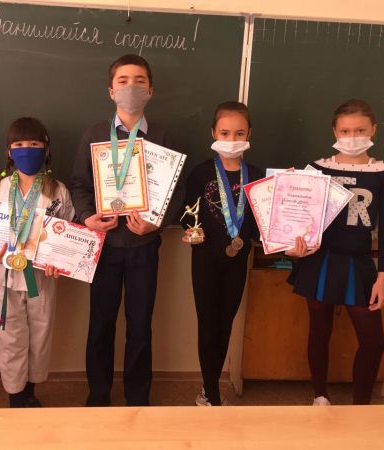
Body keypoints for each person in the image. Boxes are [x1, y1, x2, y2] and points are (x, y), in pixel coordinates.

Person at [70, 54, 184, 406]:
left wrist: (157, 222)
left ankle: (138, 398)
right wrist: (86, 216)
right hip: (104, 245)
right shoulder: (94, 134)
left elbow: (177, 191)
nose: (130, 87)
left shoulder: (164, 136)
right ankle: (98, 396)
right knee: (100, 325)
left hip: (143, 246)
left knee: (140, 326)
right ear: (111, 90)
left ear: (150, 90)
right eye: (123, 81)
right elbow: (79, 184)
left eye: (139, 81)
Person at [286, 99, 384, 405]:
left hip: (359, 263)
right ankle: (320, 395)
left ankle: (360, 407)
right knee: (319, 331)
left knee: (374, 342)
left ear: (373, 129)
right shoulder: (317, 168)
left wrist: (383, 278)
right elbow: (298, 216)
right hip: (319, 261)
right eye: (345, 131)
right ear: (334, 131)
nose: (352, 137)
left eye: (360, 130)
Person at [0, 117, 74, 408]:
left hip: (41, 277)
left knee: (40, 336)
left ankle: (30, 390)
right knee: (10, 338)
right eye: (20, 144)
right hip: (4, 277)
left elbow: (67, 236)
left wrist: (58, 260)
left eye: (34, 143)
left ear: (46, 149)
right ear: (9, 151)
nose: (27, 149)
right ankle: (16, 396)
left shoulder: (58, 191)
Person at [181, 101, 263, 406]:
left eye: (239, 133)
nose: (232, 139)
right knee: (207, 325)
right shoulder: (200, 173)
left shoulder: (257, 176)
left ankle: (209, 387)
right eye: (225, 133)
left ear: (249, 134)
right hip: (204, 260)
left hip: (237, 261)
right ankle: (211, 393)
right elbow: (187, 214)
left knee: (225, 324)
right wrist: (190, 231)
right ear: (213, 133)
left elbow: (261, 222)